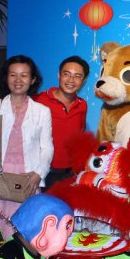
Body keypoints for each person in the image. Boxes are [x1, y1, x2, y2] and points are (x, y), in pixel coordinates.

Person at [0, 55, 54, 259]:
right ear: (6, 78)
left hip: (27, 182)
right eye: (13, 75)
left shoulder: (42, 111)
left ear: (32, 80)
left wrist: (38, 174)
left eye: (24, 75)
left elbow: (47, 147)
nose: (18, 80)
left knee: (24, 235)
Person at [35, 56, 89, 190]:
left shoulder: (82, 105)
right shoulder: (39, 100)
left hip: (70, 174)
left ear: (83, 81)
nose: (71, 80)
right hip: (43, 173)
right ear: (59, 75)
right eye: (66, 74)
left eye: (77, 76)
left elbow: (79, 137)